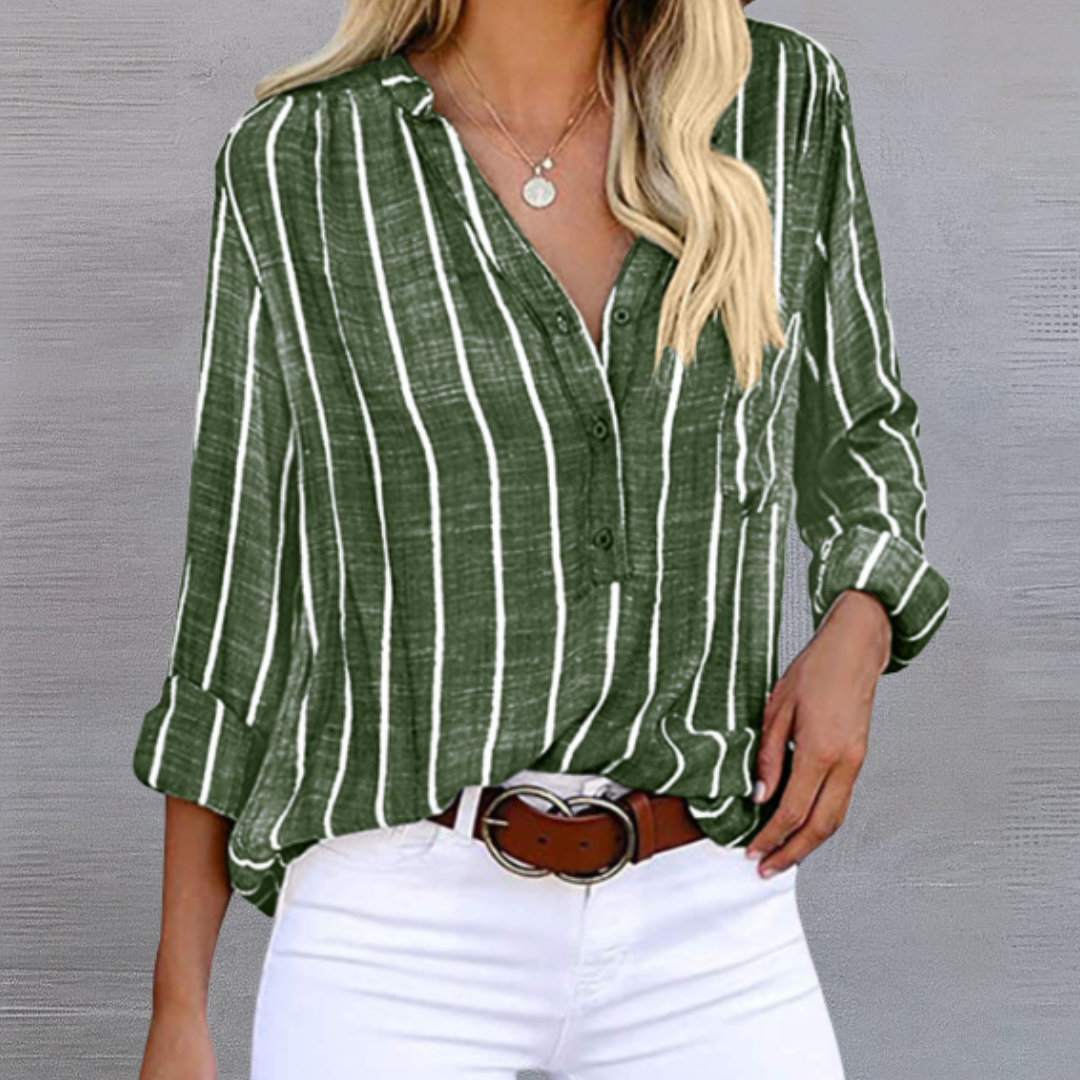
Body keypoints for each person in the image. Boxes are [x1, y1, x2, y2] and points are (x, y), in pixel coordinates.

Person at [134, 1, 951, 1077]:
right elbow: (240, 580)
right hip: (394, 927)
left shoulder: (775, 102)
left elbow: (862, 430)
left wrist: (861, 617)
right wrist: (180, 1007)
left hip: (708, 908)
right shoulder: (305, 160)